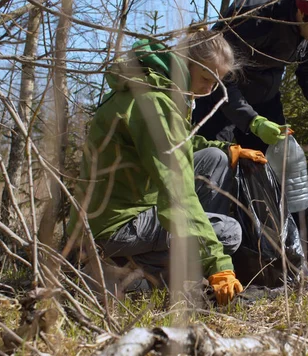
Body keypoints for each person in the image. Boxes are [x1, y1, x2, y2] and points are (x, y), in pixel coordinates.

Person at [67, 29, 267, 305]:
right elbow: (177, 191)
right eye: (205, 79)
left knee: (214, 158)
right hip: (114, 226)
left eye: (216, 84)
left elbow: (177, 143)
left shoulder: (157, 86)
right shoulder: (155, 102)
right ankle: (127, 275)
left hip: (123, 208)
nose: (209, 90)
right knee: (228, 232)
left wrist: (228, 149)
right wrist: (217, 262)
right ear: (184, 63)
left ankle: (163, 262)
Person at [191, 0, 308, 152]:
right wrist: (251, 120)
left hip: (265, 100)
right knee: (213, 159)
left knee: (274, 164)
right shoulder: (254, 16)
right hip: (219, 100)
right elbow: (218, 76)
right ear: (302, 13)